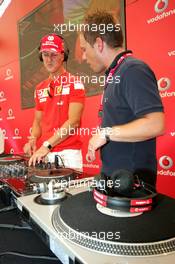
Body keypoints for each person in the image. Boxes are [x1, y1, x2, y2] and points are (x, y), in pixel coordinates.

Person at [79, 11, 165, 186]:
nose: (83, 56)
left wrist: (107, 133)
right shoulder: (116, 73)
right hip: (118, 180)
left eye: (84, 49)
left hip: (132, 184)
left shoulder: (132, 70)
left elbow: (156, 124)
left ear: (98, 44)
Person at [24, 33, 85, 170]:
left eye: (54, 54)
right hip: (46, 154)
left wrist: (46, 145)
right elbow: (38, 121)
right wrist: (33, 139)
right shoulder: (39, 88)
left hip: (68, 155)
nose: (49, 60)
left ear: (63, 56)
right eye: (45, 54)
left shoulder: (74, 83)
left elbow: (73, 122)